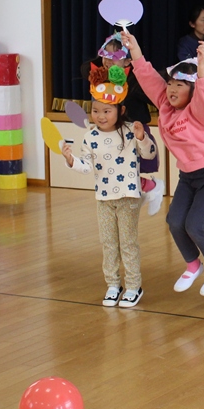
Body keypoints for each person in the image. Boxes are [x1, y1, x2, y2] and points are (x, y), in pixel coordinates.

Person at [123, 30, 204, 296]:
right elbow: (147, 76)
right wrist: (134, 49)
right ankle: (193, 264)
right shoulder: (164, 103)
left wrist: (202, 65)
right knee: (174, 221)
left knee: (196, 225)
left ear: (192, 90)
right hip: (188, 176)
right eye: (170, 83)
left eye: (180, 85)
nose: (171, 89)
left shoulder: (200, 110)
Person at [63, 64, 157, 308]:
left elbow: (149, 154)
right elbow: (87, 167)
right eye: (96, 111)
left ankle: (134, 286)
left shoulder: (129, 131)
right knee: (108, 244)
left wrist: (142, 138)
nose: (101, 116)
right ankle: (113, 285)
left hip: (128, 197)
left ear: (120, 110)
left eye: (107, 111)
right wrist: (72, 160)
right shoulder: (90, 137)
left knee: (128, 243)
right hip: (103, 199)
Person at [81, 33, 165, 215]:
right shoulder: (99, 76)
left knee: (129, 170)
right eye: (105, 55)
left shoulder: (134, 80)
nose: (108, 60)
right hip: (111, 133)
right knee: (115, 171)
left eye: (114, 57)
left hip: (133, 131)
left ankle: (152, 186)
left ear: (127, 61)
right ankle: (147, 187)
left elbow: (155, 93)